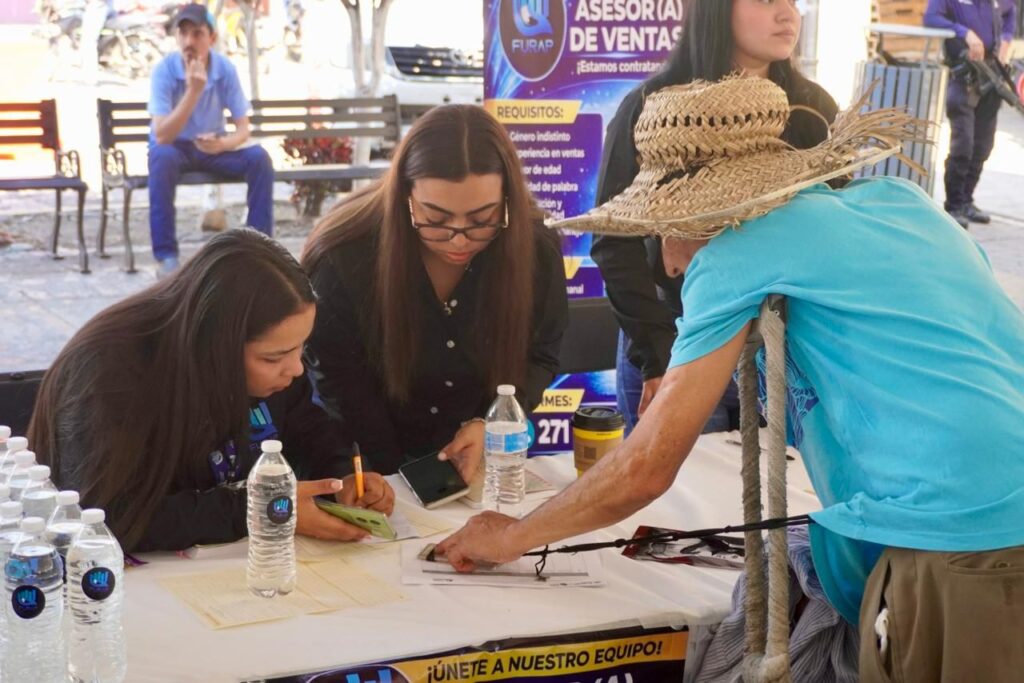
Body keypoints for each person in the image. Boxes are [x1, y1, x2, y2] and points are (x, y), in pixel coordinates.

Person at [438, 78, 1024, 681]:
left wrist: (513, 536)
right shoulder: (906, 205)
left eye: (666, 228)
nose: (667, 262)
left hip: (968, 544)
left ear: (705, 211)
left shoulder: (737, 249)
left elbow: (646, 466)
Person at [28, 229, 394, 553]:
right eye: (274, 357)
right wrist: (264, 508)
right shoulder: (108, 370)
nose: (297, 369)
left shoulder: (275, 364)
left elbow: (311, 431)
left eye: (301, 348)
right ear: (215, 344)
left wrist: (344, 478)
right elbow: (105, 517)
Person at [593, 0, 840, 436]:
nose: (788, 15)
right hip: (673, 340)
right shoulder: (651, 106)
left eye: (793, 1)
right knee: (681, 496)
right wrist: (658, 354)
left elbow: (835, 232)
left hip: (782, 351)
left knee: (779, 496)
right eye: (767, 0)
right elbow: (614, 240)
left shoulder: (812, 111)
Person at [302, 105, 568, 477]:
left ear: (508, 200)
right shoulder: (343, 256)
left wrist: (493, 421)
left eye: (482, 220)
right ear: (404, 197)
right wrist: (403, 479)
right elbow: (341, 385)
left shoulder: (534, 246)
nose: (458, 239)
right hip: (366, 466)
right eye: (435, 219)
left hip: (477, 463)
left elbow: (539, 354)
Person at [147, 3, 274, 276]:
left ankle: (259, 252)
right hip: (175, 148)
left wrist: (224, 144)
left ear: (212, 38)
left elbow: (243, 128)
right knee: (160, 157)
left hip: (211, 147)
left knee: (259, 159)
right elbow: (162, 135)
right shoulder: (164, 71)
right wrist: (194, 91)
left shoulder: (224, 69)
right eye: (183, 34)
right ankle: (166, 257)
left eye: (197, 34)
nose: (189, 41)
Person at [924, 0, 1017, 228]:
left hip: (991, 78)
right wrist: (964, 32)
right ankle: (954, 205)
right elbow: (930, 18)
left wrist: (1005, 39)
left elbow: (1011, 11)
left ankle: (966, 200)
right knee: (963, 145)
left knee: (983, 146)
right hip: (963, 78)